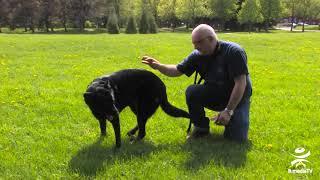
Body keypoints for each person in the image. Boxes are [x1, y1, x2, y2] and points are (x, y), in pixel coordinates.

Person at [141, 24, 252, 142]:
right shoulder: (198, 55)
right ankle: (201, 129)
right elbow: (177, 70)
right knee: (192, 91)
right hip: (215, 93)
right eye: (194, 43)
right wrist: (159, 66)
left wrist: (228, 111)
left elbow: (240, 84)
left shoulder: (234, 52)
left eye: (198, 42)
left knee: (237, 139)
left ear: (211, 39)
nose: (195, 47)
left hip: (238, 97)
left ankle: (229, 116)